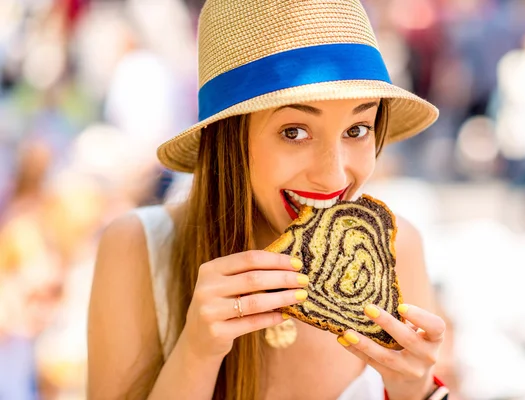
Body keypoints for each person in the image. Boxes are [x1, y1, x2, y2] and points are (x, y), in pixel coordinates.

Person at [87, 1, 448, 399]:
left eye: (357, 128)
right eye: (294, 131)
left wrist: (417, 391)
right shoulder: (137, 250)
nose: (333, 175)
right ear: (229, 140)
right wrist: (196, 353)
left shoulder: (397, 250)